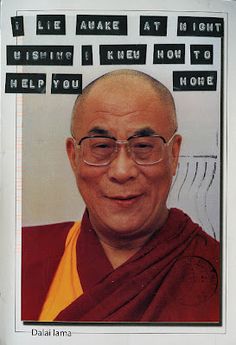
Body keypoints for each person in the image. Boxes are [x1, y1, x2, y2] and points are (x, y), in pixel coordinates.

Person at [22, 69, 220, 323]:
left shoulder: (219, 270)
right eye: (102, 146)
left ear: (174, 154)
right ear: (74, 156)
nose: (122, 171)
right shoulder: (22, 256)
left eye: (144, 147)